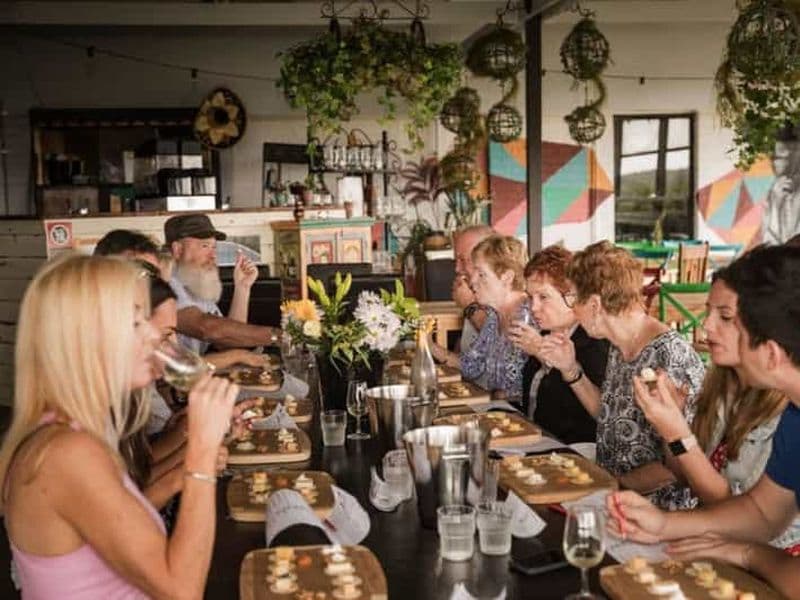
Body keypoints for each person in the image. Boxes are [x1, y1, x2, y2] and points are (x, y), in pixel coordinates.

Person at [0, 253, 238, 598]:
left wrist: (189, 467)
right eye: (134, 323)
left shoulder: (78, 433)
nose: (152, 335)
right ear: (84, 339)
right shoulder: (65, 453)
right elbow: (181, 590)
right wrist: (201, 452)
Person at [607, 245, 800, 599]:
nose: (706, 328)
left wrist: (749, 554)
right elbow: (763, 511)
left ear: (771, 353)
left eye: (733, 323)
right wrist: (664, 524)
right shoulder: (795, 416)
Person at [566, 241, 705, 509]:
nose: (572, 309)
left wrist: (609, 488)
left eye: (573, 298)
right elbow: (611, 417)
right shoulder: (619, 345)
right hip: (616, 502)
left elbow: (679, 469)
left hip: (660, 515)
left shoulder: (669, 356)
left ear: (595, 304)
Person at [509, 245, 609, 443]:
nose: (534, 307)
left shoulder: (594, 343)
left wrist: (541, 352)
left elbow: (600, 415)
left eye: (543, 297)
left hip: (574, 451)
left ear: (572, 296)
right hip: (536, 442)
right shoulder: (544, 333)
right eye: (530, 297)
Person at [164, 214, 281, 354]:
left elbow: (227, 342)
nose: (213, 255)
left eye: (214, 247)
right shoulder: (166, 283)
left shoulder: (193, 282)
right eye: (205, 246)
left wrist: (242, 288)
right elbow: (208, 329)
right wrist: (278, 336)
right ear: (178, 250)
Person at [455, 235, 532, 402]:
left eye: (481, 274)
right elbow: (470, 366)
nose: (472, 281)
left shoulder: (532, 317)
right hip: (498, 410)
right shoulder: (493, 316)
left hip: (520, 414)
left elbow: (531, 389)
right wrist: (426, 343)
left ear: (507, 277)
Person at [452, 224, 494, 351]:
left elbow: (497, 342)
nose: (457, 268)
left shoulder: (507, 295)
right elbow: (466, 352)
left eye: (463, 260)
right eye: (456, 260)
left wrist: (468, 305)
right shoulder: (474, 292)